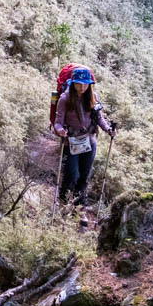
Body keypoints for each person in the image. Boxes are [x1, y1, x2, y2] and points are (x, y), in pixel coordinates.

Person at [53, 67, 115, 206]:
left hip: (89, 141)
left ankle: (79, 205)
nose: (82, 87)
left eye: (86, 84)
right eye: (79, 84)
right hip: (71, 143)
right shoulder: (65, 99)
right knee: (72, 174)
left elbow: (99, 118)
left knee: (85, 176)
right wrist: (60, 130)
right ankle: (63, 201)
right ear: (73, 82)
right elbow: (58, 122)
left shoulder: (93, 97)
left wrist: (108, 129)